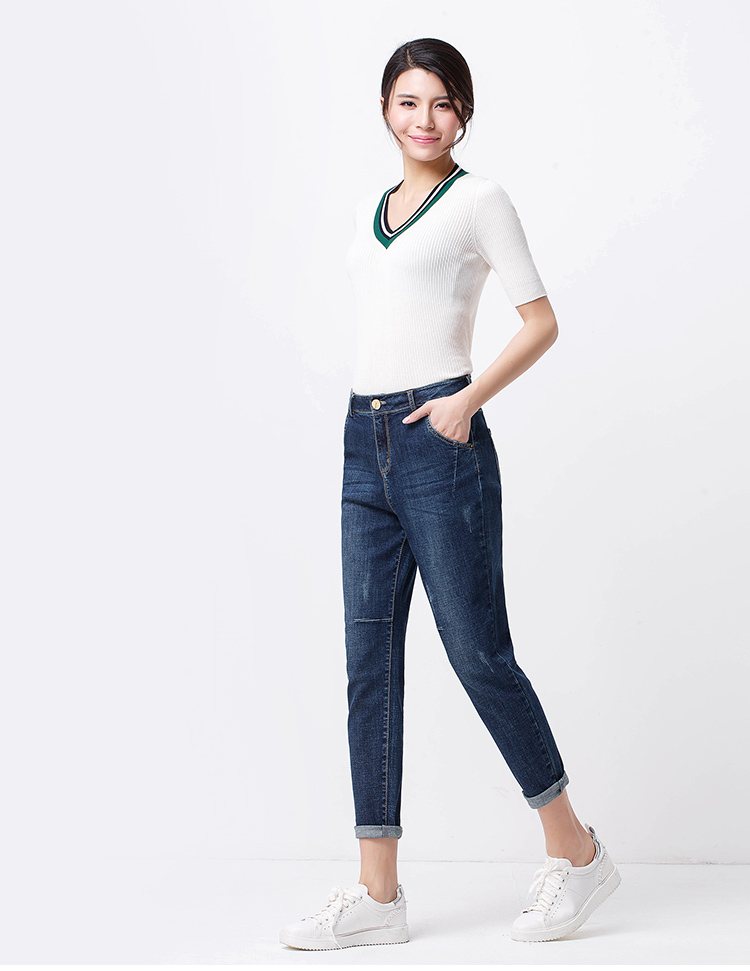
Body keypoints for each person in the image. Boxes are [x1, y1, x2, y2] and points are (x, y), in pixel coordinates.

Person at [279, 37, 620, 951]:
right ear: (384, 108)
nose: (424, 119)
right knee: (369, 663)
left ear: (463, 113)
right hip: (363, 444)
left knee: (477, 652)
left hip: (440, 438)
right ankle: (379, 893)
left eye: (442, 103)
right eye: (408, 101)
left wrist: (466, 401)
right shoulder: (372, 210)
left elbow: (540, 320)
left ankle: (578, 852)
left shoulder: (479, 200)